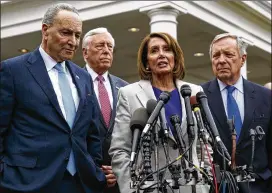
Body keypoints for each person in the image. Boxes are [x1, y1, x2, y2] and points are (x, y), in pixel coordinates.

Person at [0, 3, 106, 193]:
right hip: (27, 184)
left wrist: (95, 170)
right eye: (66, 33)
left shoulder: (83, 77)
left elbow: (91, 132)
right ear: (45, 30)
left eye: (77, 35)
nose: (73, 41)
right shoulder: (12, 70)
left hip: (79, 184)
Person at [109, 32, 210, 193]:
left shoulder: (194, 91)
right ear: (146, 62)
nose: (161, 54)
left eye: (167, 49)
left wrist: (206, 181)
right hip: (149, 187)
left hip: (192, 188)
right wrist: (130, 188)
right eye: (154, 50)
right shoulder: (128, 94)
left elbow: (203, 144)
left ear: (175, 57)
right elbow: (120, 149)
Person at [201, 33, 272, 193]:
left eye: (228, 54)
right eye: (216, 55)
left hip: (259, 187)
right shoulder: (198, 96)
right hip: (217, 188)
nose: (221, 60)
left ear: (243, 59)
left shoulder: (265, 97)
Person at [82, 27, 128, 193]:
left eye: (110, 47)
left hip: (119, 179)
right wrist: (93, 170)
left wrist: (119, 169)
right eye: (100, 46)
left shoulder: (124, 87)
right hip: (84, 178)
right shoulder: (73, 81)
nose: (107, 51)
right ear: (85, 53)